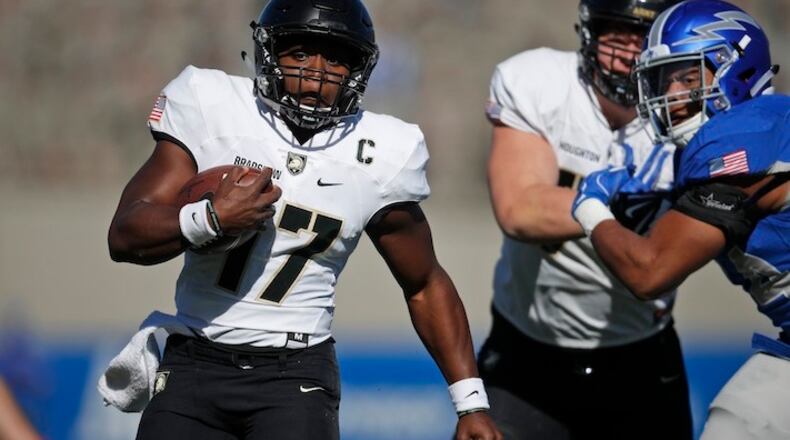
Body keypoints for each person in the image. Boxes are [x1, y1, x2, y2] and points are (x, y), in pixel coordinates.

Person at [105, 1, 501, 439]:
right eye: (300, 54)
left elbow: (424, 282)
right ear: (269, 54)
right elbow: (124, 235)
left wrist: (470, 404)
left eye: (335, 58)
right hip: (194, 359)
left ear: (358, 70)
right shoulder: (211, 105)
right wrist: (210, 218)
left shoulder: (381, 151)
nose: (316, 71)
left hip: (294, 375)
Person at [571, 1, 787, 439]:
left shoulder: (744, 135)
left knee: (740, 424)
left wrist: (589, 209)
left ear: (738, 71)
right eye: (665, 80)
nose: (672, 95)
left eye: (688, 78)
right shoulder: (758, 131)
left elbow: (650, 271)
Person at [479, 0, 693, 438]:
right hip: (527, 353)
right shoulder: (539, 82)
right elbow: (520, 209)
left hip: (640, 357)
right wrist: (637, 196)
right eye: (617, 29)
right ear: (589, 31)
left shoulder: (696, 113)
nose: (631, 49)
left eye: (647, 34)